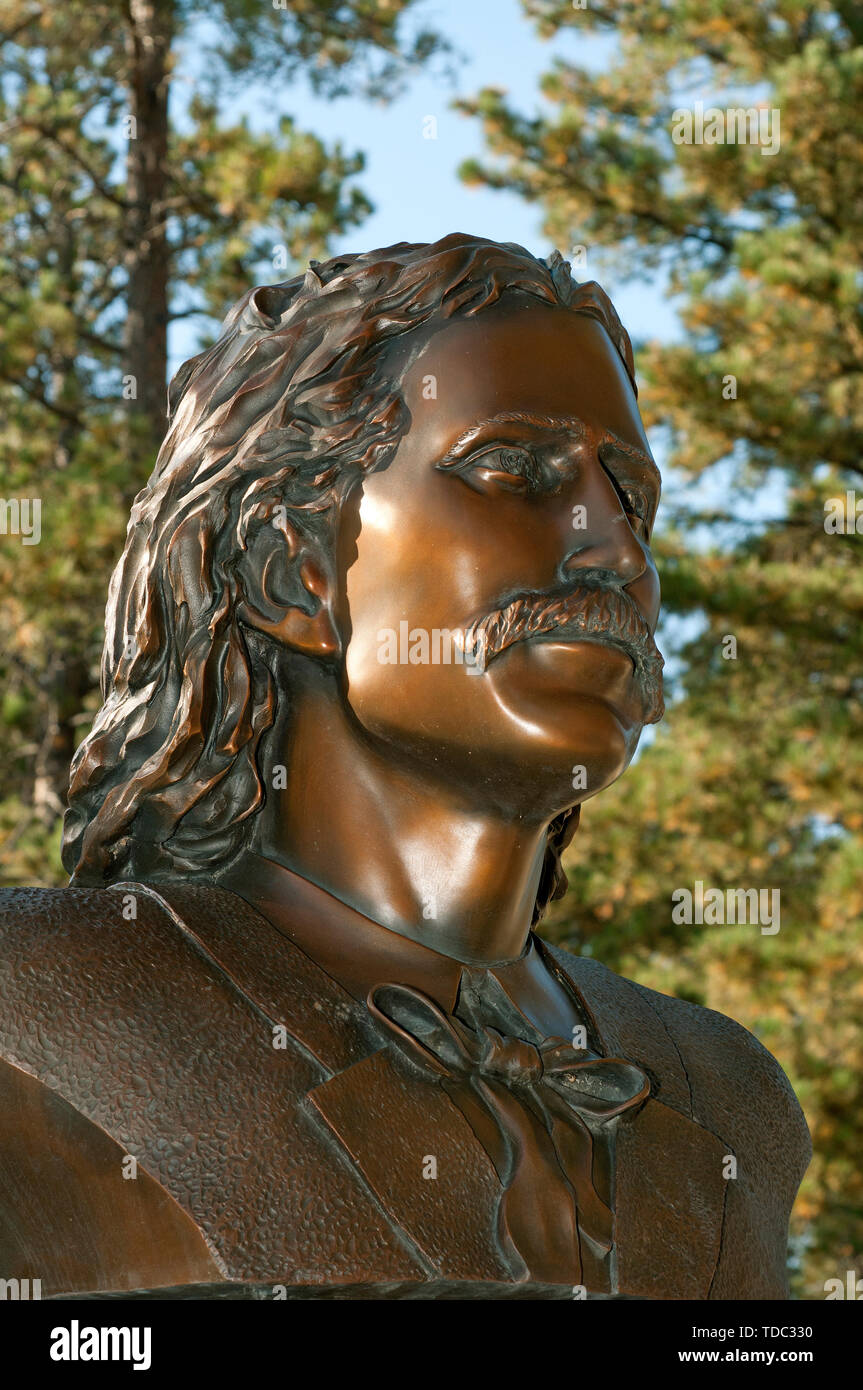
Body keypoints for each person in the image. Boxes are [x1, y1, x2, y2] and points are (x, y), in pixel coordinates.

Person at [0, 234, 810, 1298]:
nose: (612, 548)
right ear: (290, 563)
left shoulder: (722, 1091)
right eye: (512, 469)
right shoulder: (38, 1016)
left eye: (630, 498)